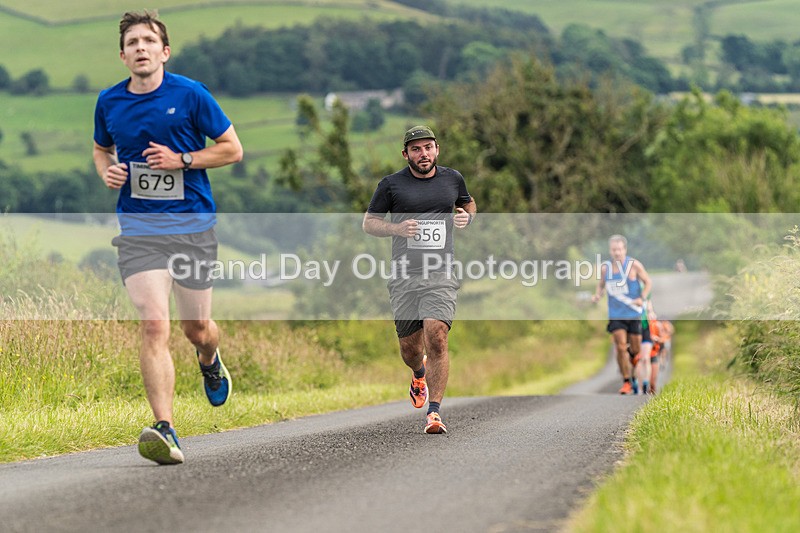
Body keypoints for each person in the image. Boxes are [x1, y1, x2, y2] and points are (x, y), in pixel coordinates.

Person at [92, 10, 244, 464]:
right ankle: (166, 428)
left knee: (196, 328)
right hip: (139, 229)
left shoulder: (190, 94)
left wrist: (182, 159)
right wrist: (109, 172)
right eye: (132, 42)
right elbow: (101, 148)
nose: (140, 47)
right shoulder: (109, 102)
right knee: (154, 323)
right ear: (123, 56)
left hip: (192, 226)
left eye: (148, 41)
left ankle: (210, 361)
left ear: (164, 51)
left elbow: (232, 149)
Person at [363, 125, 476, 434]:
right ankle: (418, 372)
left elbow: (467, 203)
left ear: (437, 149)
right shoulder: (390, 185)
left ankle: (435, 412)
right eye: (416, 149)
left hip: (440, 272)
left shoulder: (453, 179)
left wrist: (468, 216)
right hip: (403, 276)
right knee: (410, 350)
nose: (423, 153)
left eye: (428, 147)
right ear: (406, 154)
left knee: (437, 335)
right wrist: (396, 229)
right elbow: (369, 223)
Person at [592, 235, 652, 395]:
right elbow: (601, 285)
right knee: (619, 347)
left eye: (619, 249)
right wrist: (597, 295)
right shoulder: (606, 268)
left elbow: (648, 282)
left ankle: (632, 369)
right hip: (616, 314)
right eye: (614, 250)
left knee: (635, 349)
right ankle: (626, 382)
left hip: (633, 314)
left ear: (624, 249)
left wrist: (642, 298)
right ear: (610, 251)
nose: (617, 253)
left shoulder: (634, 265)